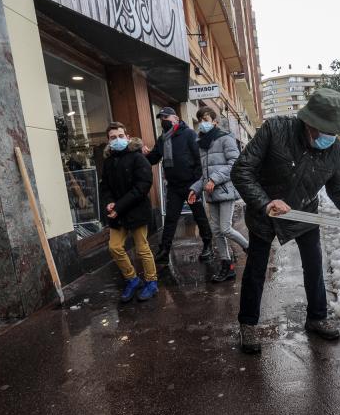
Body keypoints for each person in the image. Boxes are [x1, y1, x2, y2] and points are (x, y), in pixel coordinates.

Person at [231, 88, 340, 354]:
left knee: (314, 266)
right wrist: (266, 202)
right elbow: (242, 170)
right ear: (309, 122)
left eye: (334, 132)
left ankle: (317, 316)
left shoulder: (335, 150)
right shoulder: (275, 129)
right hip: (266, 212)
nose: (329, 137)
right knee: (256, 270)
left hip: (305, 211)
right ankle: (249, 324)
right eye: (324, 130)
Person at [145, 107, 213, 263]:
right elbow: (153, 158)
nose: (163, 121)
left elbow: (199, 159)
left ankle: (208, 244)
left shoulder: (188, 134)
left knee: (199, 216)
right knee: (170, 218)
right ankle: (164, 249)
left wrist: (197, 182)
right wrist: (141, 153)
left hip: (190, 185)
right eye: (161, 118)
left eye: (166, 117)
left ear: (175, 118)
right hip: (174, 186)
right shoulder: (162, 139)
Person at [188, 107, 249, 282]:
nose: (203, 123)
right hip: (210, 193)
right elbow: (204, 175)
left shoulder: (225, 139)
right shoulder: (202, 144)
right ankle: (227, 265)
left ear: (215, 121)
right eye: (200, 120)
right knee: (217, 231)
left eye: (206, 119)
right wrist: (195, 189)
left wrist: (214, 179)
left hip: (225, 190)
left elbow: (235, 164)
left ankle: (249, 247)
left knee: (225, 228)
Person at [100, 122, 158, 302]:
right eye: (112, 138)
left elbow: (141, 187)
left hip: (136, 211)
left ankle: (151, 282)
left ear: (127, 136)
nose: (117, 140)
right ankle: (132, 279)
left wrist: (118, 207)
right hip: (117, 214)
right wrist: (109, 202)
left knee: (142, 248)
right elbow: (105, 187)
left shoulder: (138, 158)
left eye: (120, 136)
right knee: (115, 247)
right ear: (108, 141)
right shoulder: (108, 162)